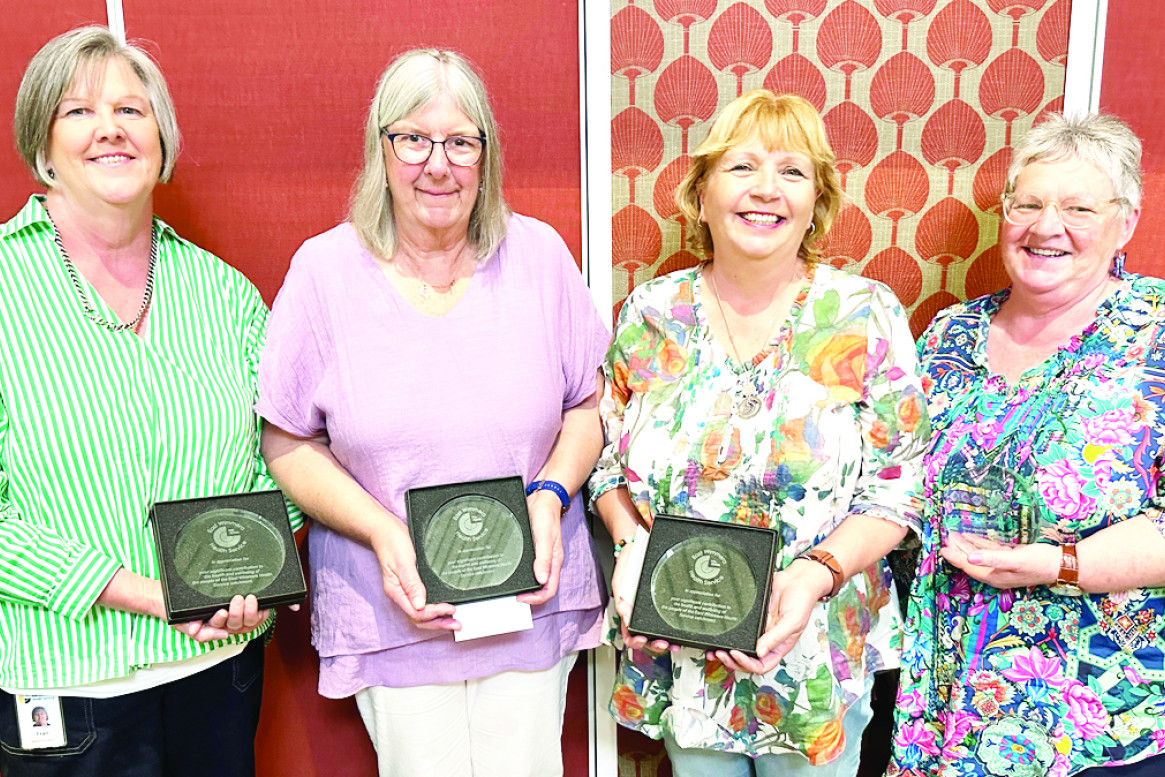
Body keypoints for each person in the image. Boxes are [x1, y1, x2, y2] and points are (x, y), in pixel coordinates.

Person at [256, 48, 608, 777]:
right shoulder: (323, 273)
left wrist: (549, 495)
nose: (437, 165)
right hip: (396, 611)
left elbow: (587, 403)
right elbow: (286, 439)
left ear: (486, 155)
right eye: (413, 139)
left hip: (527, 601)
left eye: (460, 141)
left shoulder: (538, 255)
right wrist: (384, 533)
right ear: (380, 149)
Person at [589, 89, 929, 776]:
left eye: (792, 171)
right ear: (702, 189)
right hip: (685, 642)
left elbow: (900, 487)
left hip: (815, 654)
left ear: (816, 202)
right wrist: (629, 546)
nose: (765, 190)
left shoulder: (863, 315)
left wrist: (814, 574)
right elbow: (604, 461)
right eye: (741, 167)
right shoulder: (651, 312)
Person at [0, 26, 296, 777]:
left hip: (219, 670)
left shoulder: (223, 292)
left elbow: (283, 456)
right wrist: (147, 593)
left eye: (132, 110)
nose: (111, 129)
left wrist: (260, 571)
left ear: (161, 138)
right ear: (41, 144)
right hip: (68, 687)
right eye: (78, 111)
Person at [888, 113, 1165, 777]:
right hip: (942, 706)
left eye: (1077, 207)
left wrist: (1059, 562)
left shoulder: (1154, 331)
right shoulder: (948, 334)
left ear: (1124, 222)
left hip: (1098, 719)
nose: (1046, 226)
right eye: (1028, 203)